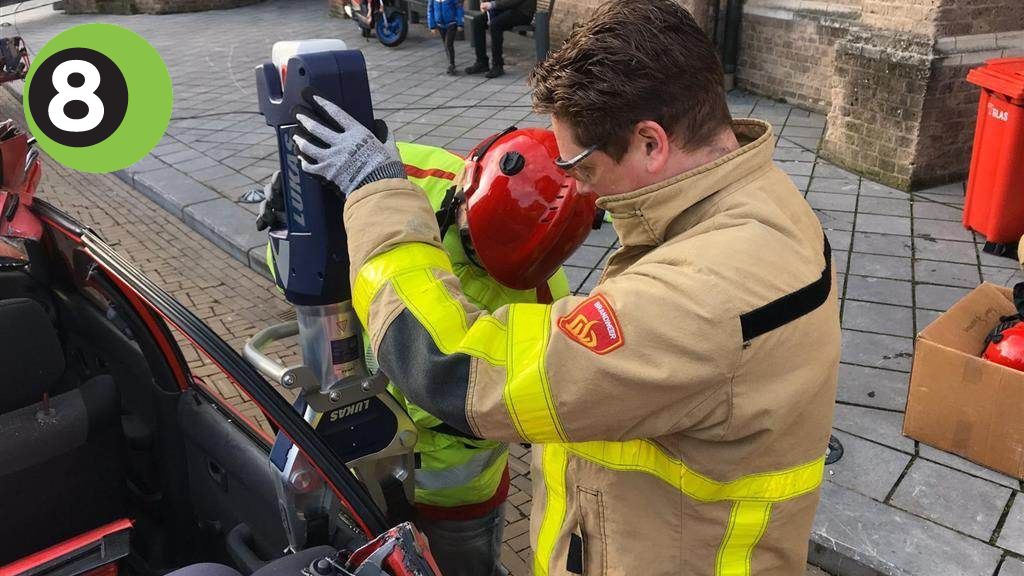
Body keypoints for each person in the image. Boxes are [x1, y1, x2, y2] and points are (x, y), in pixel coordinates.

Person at [289, 0, 841, 573]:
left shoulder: (701, 296)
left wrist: (375, 192)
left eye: (580, 164)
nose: (575, 187)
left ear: (650, 144)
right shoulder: (759, 202)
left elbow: (452, 368)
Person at [258, 130, 593, 576]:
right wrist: (292, 229)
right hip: (357, 462)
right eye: (470, 245)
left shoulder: (546, 302)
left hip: (455, 494)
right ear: (465, 188)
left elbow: (515, 404)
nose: (475, 261)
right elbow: (310, 284)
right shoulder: (391, 177)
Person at [465, 0, 536, 78]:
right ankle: (481, 62)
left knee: (496, 24)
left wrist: (492, 4)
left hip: (523, 12)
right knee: (478, 21)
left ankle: (498, 65)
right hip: (506, 9)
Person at [427, 0, 464, 76]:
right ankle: (450, 62)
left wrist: (460, 23)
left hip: (452, 23)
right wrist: (432, 25)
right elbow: (430, 10)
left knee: (448, 44)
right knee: (446, 44)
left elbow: (458, 8)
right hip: (440, 25)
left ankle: (451, 64)